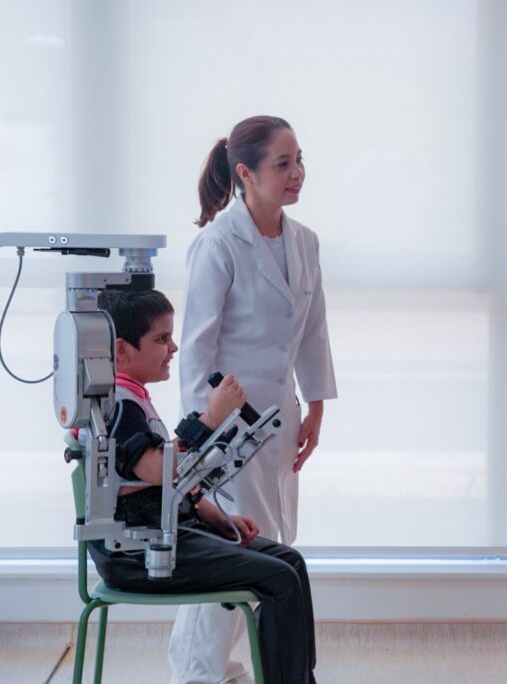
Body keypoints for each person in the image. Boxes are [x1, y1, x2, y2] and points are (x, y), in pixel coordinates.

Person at [172, 115, 337, 683]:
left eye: (300, 160)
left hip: (280, 420)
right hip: (225, 430)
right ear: (245, 173)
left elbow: (313, 332)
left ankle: (217, 669)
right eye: (283, 164)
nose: (298, 173)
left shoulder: (305, 242)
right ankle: (197, 673)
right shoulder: (217, 244)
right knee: (231, 555)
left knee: (267, 547)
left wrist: (316, 406)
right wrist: (201, 433)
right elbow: (196, 349)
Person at [88, 288, 317, 684]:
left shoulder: (133, 400)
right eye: (161, 339)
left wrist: (216, 518)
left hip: (162, 533)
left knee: (291, 563)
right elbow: (157, 470)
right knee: (279, 579)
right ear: (122, 349)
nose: (173, 348)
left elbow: (161, 482)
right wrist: (211, 418)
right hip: (135, 553)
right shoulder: (118, 405)